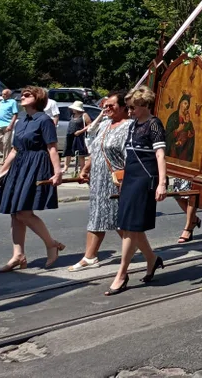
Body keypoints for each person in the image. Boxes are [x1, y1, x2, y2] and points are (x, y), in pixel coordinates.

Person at [0, 86, 65, 273]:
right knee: (14, 212)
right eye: (22, 95)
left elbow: (52, 148)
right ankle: (18, 255)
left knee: (24, 212)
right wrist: (1, 172)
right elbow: (15, 150)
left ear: (38, 98)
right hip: (19, 167)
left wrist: (58, 172)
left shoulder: (45, 120)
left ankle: (51, 244)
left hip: (36, 165)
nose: (22, 97)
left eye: (27, 95)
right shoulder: (22, 120)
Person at [106, 86, 167, 295]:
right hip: (130, 177)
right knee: (128, 225)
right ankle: (152, 259)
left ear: (144, 105)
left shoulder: (154, 124)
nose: (130, 111)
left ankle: (122, 273)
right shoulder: (133, 125)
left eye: (133, 107)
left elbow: (160, 155)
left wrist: (162, 183)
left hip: (144, 179)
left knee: (131, 227)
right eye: (129, 107)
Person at [71, 91, 131, 272]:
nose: (107, 108)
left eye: (111, 105)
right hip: (98, 180)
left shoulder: (129, 127)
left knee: (120, 220)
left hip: (116, 181)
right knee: (98, 217)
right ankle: (90, 257)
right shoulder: (105, 124)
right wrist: (85, 169)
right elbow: (97, 150)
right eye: (105, 105)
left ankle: (144, 251)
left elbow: (130, 157)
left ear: (123, 108)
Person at [0, 88, 19, 160]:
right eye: (2, 94)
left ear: (9, 95)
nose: (3, 95)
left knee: (6, 142)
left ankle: (5, 160)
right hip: (0, 124)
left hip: (8, 124)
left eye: (5, 94)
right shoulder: (1, 102)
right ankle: (9, 154)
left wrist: (11, 124)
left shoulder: (12, 102)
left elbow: (15, 114)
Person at [65, 101, 92, 169]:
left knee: (80, 154)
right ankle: (66, 167)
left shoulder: (84, 115)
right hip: (70, 135)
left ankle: (82, 168)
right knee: (68, 151)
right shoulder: (72, 115)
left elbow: (90, 125)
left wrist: (80, 131)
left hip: (80, 136)